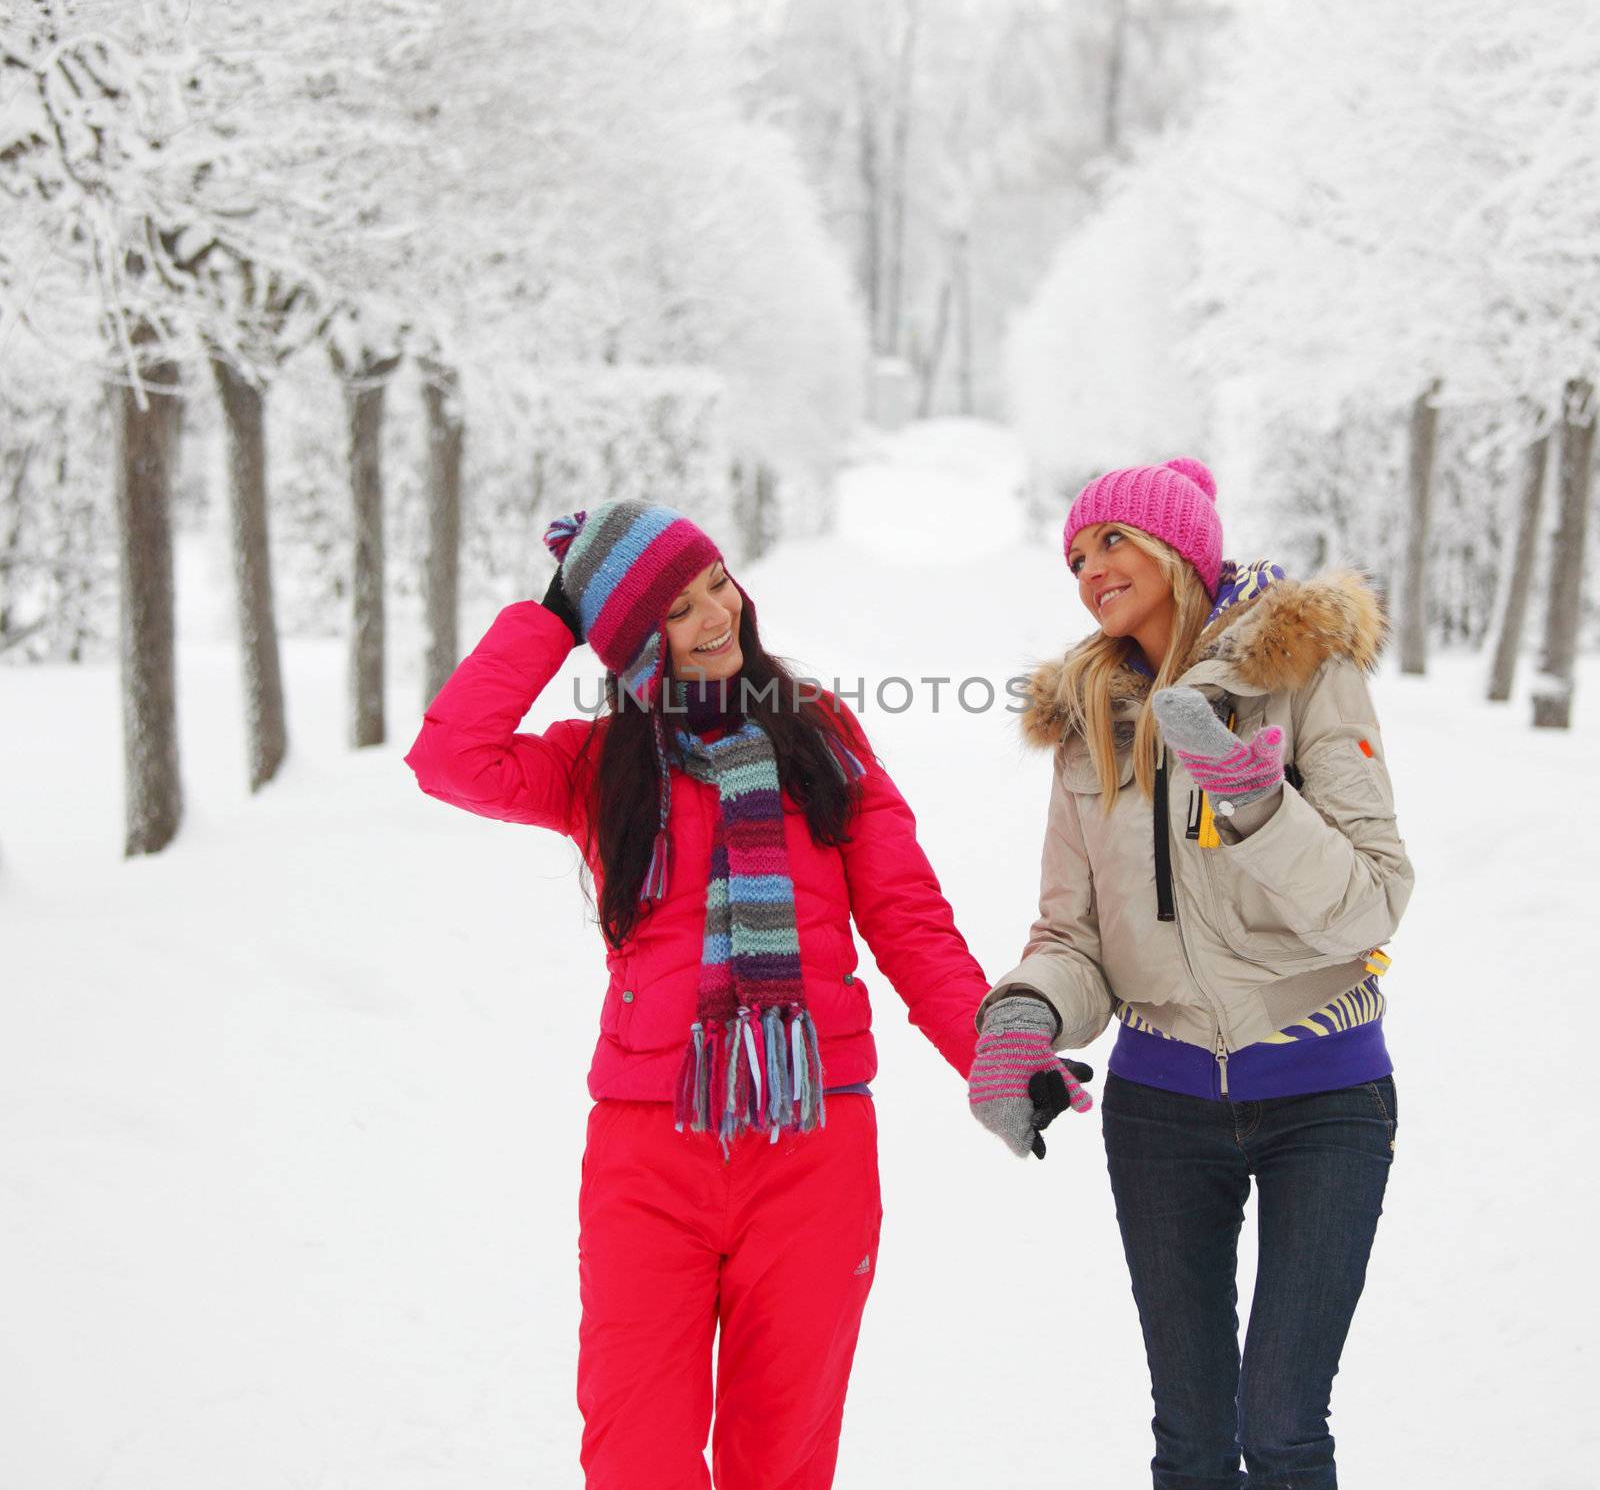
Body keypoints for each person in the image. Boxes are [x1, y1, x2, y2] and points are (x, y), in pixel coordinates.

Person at [405, 498, 991, 1490]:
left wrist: (996, 1050)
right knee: (636, 1459)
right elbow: (451, 756)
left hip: (813, 1147)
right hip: (648, 1154)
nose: (716, 613)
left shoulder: (822, 735)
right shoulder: (597, 763)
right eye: (675, 608)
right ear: (634, 644)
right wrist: (552, 616)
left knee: (782, 1465)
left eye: (716, 581)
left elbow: (904, 911)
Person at [966, 458, 1413, 1490]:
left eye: (1111, 540)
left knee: (1285, 1426)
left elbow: (1371, 899)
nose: (1089, 568)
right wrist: (1023, 1016)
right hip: (1162, 1107)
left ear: (1177, 546)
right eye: (1075, 555)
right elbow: (1071, 931)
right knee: (1192, 1439)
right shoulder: (1089, 718)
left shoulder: (1304, 670)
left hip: (1324, 1093)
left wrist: (1253, 800)